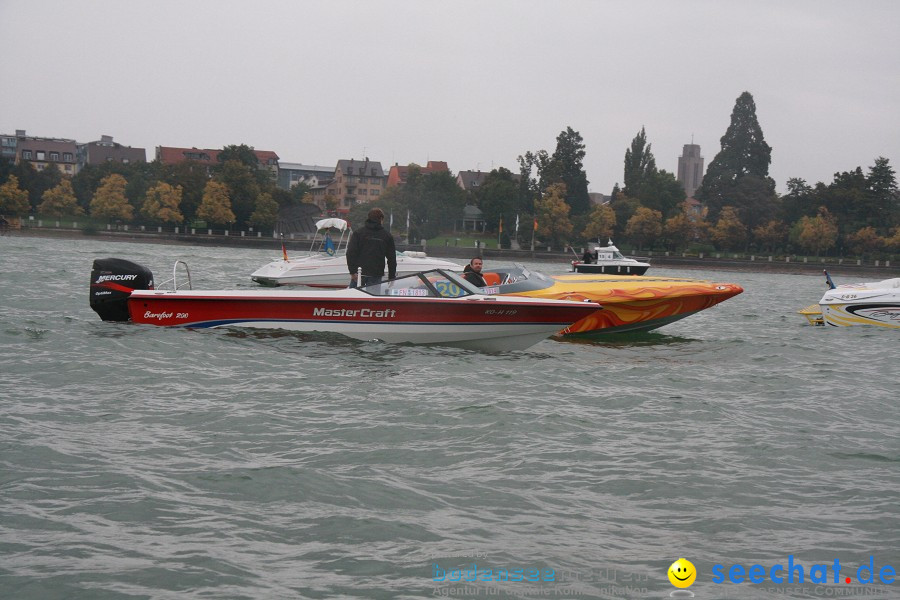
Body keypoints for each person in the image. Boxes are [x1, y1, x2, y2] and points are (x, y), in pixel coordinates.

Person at [347, 207, 397, 288]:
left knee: (353, 298)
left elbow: (350, 253)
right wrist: (391, 276)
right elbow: (391, 258)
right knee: (372, 299)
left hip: (359, 273)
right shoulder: (387, 236)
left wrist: (352, 272)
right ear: (381, 219)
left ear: (369, 218)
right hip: (376, 274)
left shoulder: (358, 233)